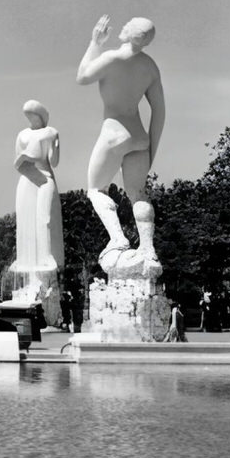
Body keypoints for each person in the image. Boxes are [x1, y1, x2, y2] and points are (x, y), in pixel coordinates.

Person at [76, 14, 165, 277]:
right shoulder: (150, 67)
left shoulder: (112, 58)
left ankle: (118, 239)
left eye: (127, 25)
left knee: (95, 189)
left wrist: (95, 43)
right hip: (139, 137)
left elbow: (82, 76)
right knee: (138, 194)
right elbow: (159, 113)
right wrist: (151, 151)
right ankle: (148, 248)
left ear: (129, 32)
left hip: (114, 134)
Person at [13, 100, 64, 277]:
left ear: (40, 115)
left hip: (44, 176)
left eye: (33, 114)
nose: (31, 118)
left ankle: (47, 255)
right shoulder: (22, 134)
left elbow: (54, 162)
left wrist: (56, 148)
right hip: (27, 177)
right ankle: (25, 258)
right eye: (28, 115)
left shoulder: (51, 132)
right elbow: (17, 159)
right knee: (25, 218)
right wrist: (22, 159)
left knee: (45, 217)